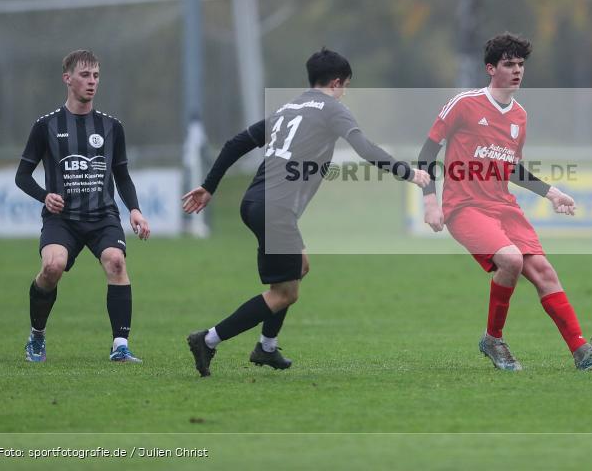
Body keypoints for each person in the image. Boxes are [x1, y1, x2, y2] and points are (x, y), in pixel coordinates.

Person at [183, 48, 430, 377]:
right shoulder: (332, 108)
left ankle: (267, 348)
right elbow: (364, 148)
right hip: (277, 209)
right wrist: (408, 173)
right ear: (338, 82)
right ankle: (209, 340)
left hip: (256, 202)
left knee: (300, 266)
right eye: (346, 87)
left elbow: (234, 143)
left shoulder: (288, 108)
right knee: (284, 293)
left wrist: (209, 186)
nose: (345, 93)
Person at [417, 32, 592, 372]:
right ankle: (493, 339)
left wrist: (551, 193)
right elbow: (426, 152)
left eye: (521, 64)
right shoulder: (464, 104)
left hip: (503, 206)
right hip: (464, 206)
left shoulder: (520, 116)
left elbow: (510, 168)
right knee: (510, 260)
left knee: (544, 271)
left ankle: (582, 352)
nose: (517, 71)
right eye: (509, 64)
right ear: (490, 68)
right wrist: (430, 201)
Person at [15, 49, 151, 364]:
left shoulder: (112, 127)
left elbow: (123, 176)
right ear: (68, 79)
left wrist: (134, 209)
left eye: (96, 76)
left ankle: (120, 345)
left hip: (102, 216)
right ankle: (37, 336)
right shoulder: (45, 126)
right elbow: (22, 176)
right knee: (52, 268)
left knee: (116, 261)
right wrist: (44, 195)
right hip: (62, 220)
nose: (92, 82)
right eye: (85, 75)